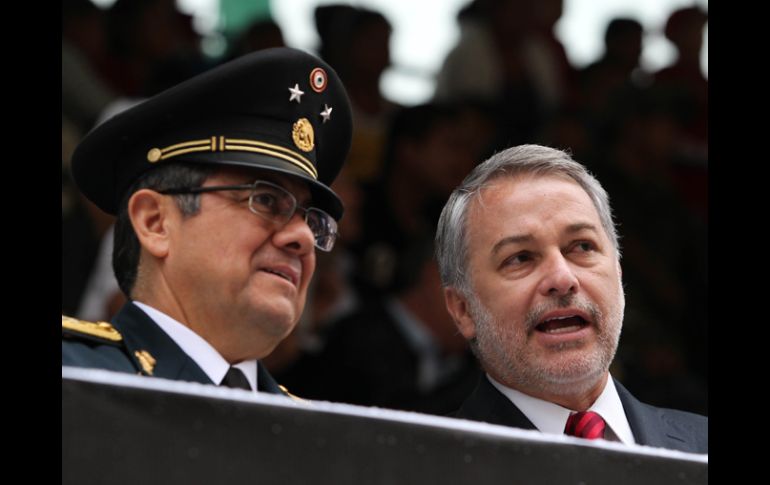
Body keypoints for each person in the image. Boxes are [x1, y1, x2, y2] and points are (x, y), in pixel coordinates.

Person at [62, 47, 353, 397]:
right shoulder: (76, 381)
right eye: (265, 199)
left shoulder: (317, 436)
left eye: (312, 220)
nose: (304, 238)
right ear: (155, 222)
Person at [434, 144, 707, 452]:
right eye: (520, 258)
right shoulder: (420, 467)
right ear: (463, 310)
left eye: (582, 247)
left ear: (618, 272)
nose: (562, 279)